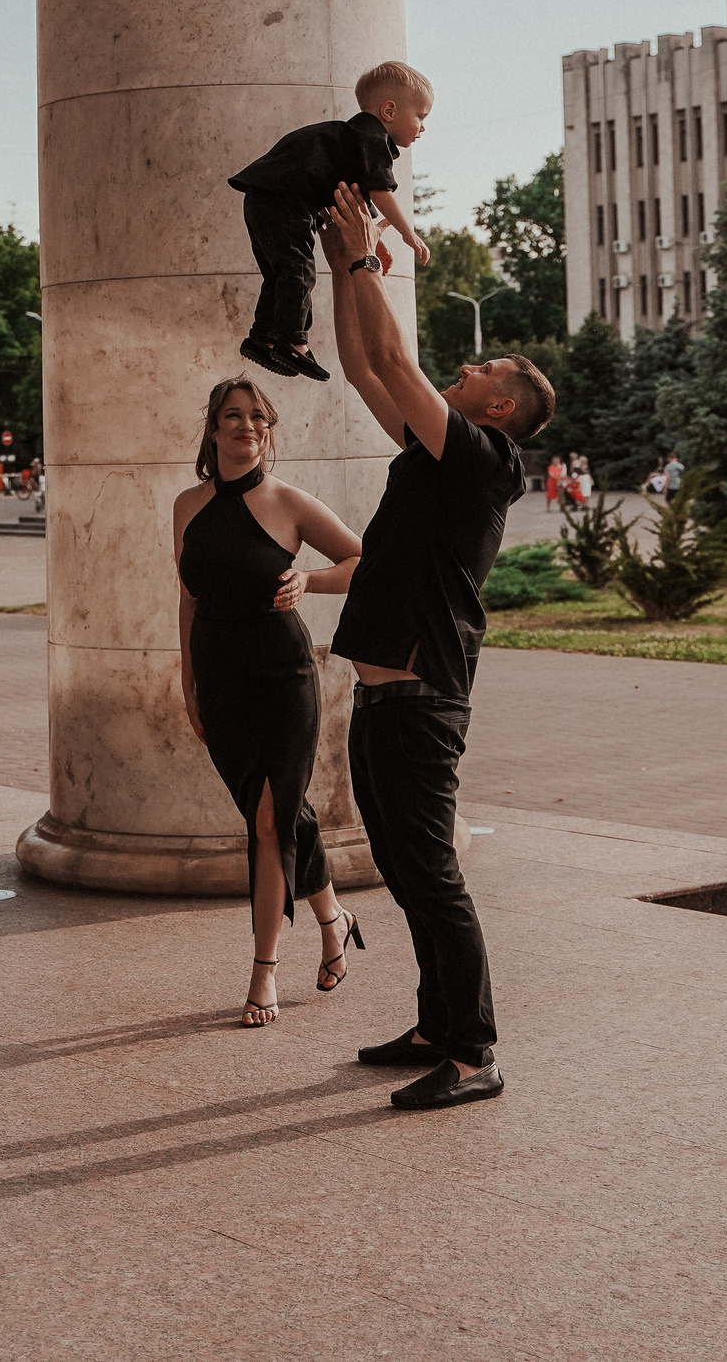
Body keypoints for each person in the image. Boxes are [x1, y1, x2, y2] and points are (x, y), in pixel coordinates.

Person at [318, 181, 555, 1111]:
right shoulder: (433, 454)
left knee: (434, 876)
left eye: (477, 375)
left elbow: (395, 358)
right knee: (409, 872)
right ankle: (431, 1020)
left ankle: (473, 1049)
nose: (461, 373)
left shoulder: (486, 462)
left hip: (421, 694)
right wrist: (345, 266)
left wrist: (367, 259)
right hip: (385, 694)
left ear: (497, 410)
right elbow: (363, 365)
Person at [174, 376, 367, 1028]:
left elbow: (360, 560)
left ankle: (263, 974)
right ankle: (334, 918)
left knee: (266, 823)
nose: (246, 425)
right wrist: (186, 678)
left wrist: (309, 577)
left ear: (269, 429)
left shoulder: (288, 502)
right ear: (212, 428)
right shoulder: (187, 506)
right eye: (232, 415)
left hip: (284, 678)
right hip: (220, 680)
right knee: (284, 817)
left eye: (257, 416)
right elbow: (189, 597)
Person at [224, 61, 433, 382]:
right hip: (283, 199)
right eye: (421, 116)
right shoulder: (372, 137)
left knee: (279, 274)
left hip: (264, 197)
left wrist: (374, 240)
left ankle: (262, 337)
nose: (423, 127)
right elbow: (379, 192)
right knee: (299, 271)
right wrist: (409, 233)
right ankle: (293, 341)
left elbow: (352, 203)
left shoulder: (349, 140)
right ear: (389, 111)